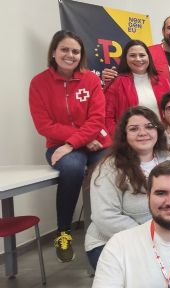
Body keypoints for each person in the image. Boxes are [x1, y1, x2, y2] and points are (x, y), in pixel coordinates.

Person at [29, 30, 111, 262]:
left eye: (75, 51)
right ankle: (63, 231)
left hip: (96, 142)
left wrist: (77, 140)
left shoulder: (91, 80)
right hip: (61, 145)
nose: (70, 55)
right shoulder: (39, 83)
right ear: (53, 53)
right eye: (64, 49)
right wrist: (77, 140)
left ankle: (106, 228)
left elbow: (97, 118)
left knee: (111, 166)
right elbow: (44, 125)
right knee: (73, 169)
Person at [86, 106, 170, 269]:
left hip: (164, 239)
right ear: (125, 135)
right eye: (134, 129)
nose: (143, 133)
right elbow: (105, 217)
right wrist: (150, 240)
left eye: (149, 127)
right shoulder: (109, 167)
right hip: (112, 241)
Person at [102, 16, 170, 95]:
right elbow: (123, 79)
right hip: (149, 112)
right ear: (163, 31)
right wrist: (109, 77)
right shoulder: (145, 54)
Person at [104, 40, 170, 135]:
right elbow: (108, 117)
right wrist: (120, 139)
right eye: (132, 55)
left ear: (148, 57)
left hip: (161, 138)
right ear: (125, 58)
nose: (138, 59)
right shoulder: (116, 82)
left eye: (142, 55)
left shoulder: (162, 81)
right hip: (130, 141)